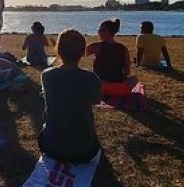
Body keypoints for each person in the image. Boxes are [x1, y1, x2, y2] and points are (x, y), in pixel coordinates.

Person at [39, 29, 102, 164]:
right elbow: (96, 100)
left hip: (51, 147)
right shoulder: (91, 78)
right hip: (84, 151)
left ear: (58, 50)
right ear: (82, 52)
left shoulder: (46, 75)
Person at [86, 19, 131, 85]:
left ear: (109, 31)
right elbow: (127, 71)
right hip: (118, 84)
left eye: (101, 30)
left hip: (101, 84)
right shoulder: (123, 48)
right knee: (133, 79)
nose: (99, 33)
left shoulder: (96, 46)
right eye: (99, 30)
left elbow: (76, 54)